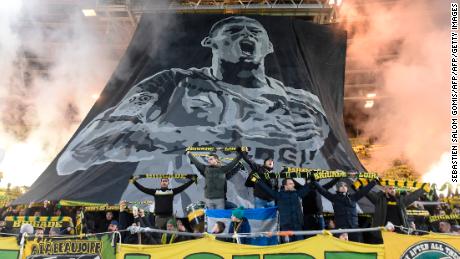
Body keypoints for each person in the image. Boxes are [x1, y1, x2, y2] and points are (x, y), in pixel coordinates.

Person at [56, 16, 332, 178]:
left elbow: (327, 159)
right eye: (233, 31)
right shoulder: (173, 82)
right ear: (209, 43)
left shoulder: (304, 102)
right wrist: (231, 132)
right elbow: (75, 156)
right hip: (192, 217)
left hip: (274, 220)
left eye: (254, 32)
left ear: (269, 46)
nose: (246, 36)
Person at [312, 177, 377, 243]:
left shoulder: (353, 197)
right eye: (341, 186)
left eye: (345, 185)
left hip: (354, 228)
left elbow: (364, 191)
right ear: (337, 189)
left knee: (359, 246)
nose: (343, 187)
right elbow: (323, 191)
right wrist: (314, 181)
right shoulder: (334, 198)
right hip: (341, 230)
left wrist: (374, 182)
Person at [251, 175, 311, 242]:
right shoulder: (279, 195)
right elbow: (267, 189)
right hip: (286, 227)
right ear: (285, 186)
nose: (293, 185)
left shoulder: (297, 194)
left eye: (293, 183)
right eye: (291, 183)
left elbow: (309, 187)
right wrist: (257, 180)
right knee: (287, 246)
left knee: (300, 244)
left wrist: (312, 180)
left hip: (298, 226)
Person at [132, 176, 196, 229]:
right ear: (161, 183)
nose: (164, 182)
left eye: (166, 181)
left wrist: (192, 180)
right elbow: (143, 189)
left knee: (171, 234)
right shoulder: (156, 191)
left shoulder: (172, 191)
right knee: (160, 235)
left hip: (170, 217)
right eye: (163, 181)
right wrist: (134, 182)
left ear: (168, 183)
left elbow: (183, 187)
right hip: (159, 218)